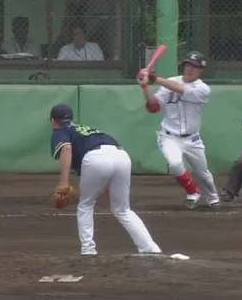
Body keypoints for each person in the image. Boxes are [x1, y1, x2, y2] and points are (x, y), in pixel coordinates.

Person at [49, 104, 162, 255]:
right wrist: (110, 183)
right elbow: (108, 156)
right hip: (121, 156)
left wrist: (63, 182)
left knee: (85, 206)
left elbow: (67, 148)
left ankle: (88, 250)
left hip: (96, 158)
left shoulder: (61, 130)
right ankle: (150, 248)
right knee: (123, 210)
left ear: (53, 121)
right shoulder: (87, 130)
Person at [138, 51, 220, 210]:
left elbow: (181, 90)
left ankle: (213, 198)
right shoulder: (169, 82)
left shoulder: (203, 88)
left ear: (200, 70)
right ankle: (192, 192)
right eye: (188, 65)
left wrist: (154, 78)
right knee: (175, 164)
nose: (190, 69)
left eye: (195, 67)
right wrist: (145, 86)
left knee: (203, 174)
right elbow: (154, 107)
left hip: (192, 139)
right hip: (169, 137)